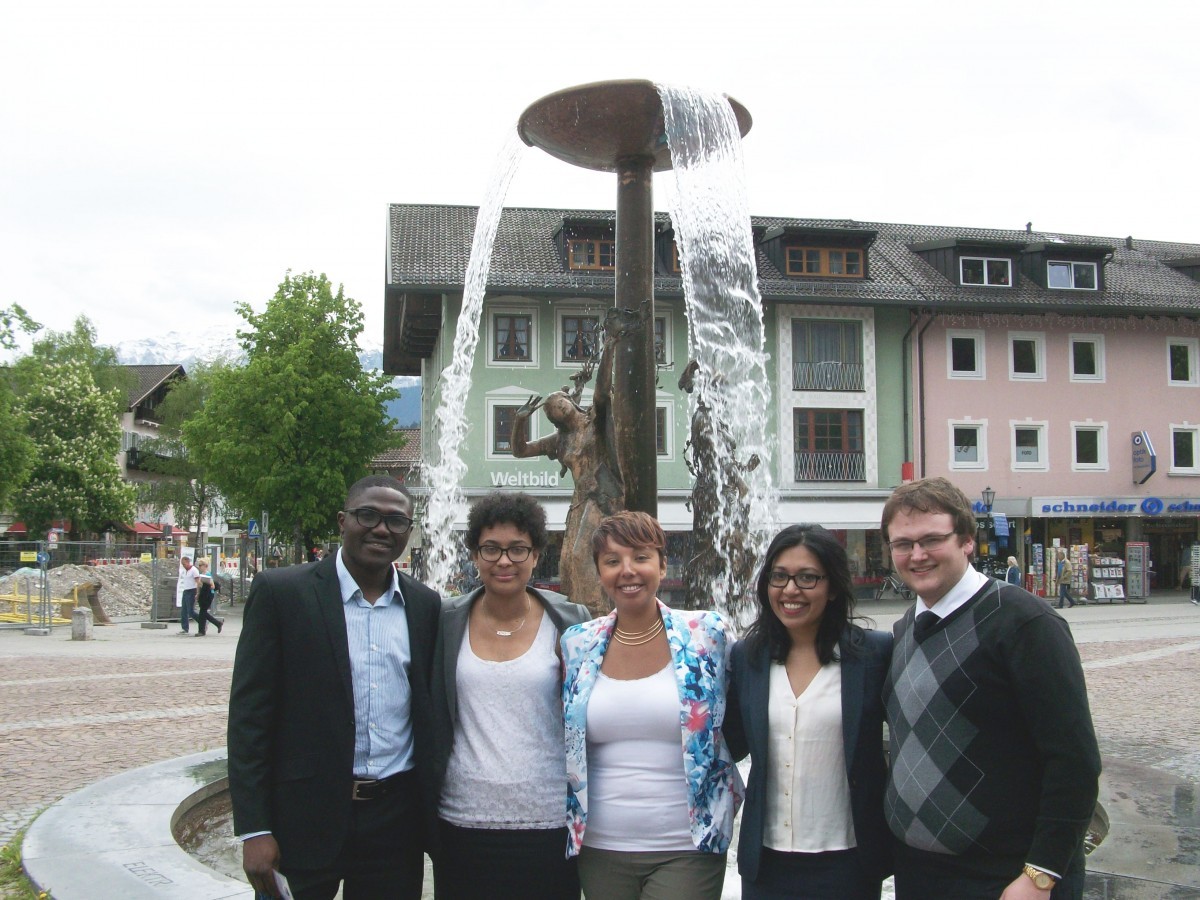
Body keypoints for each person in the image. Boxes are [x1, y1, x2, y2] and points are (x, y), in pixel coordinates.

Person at [881, 477, 1100, 900]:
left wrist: (1041, 873)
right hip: (921, 873)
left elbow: (1074, 760)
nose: (917, 554)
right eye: (903, 544)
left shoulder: (1024, 622)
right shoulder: (906, 627)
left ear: (966, 541)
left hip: (1008, 877)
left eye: (931, 539)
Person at [227, 475, 440, 900]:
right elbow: (250, 719)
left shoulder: (424, 605)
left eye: (396, 521)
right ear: (343, 521)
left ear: (408, 532)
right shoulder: (282, 593)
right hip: (303, 817)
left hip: (394, 824)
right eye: (368, 516)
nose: (382, 529)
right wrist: (255, 829)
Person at [561, 511, 742, 900]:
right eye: (612, 561)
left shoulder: (706, 634)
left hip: (687, 845)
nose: (628, 571)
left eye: (641, 557)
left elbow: (741, 714)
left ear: (662, 564)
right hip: (600, 845)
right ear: (599, 571)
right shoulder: (577, 644)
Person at [431, 491, 590, 900]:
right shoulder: (445, 622)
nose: (504, 561)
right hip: (463, 820)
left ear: (536, 554)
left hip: (547, 821)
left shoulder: (570, 622)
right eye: (491, 549)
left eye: (518, 549)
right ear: (475, 555)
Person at [725, 524, 892, 899]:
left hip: (848, 861)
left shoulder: (874, 655)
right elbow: (728, 743)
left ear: (833, 587)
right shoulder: (748, 658)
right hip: (767, 863)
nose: (790, 590)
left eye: (807, 578)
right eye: (779, 576)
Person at [193, 557, 224, 636]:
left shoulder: (207, 574)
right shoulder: (201, 575)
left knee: (202, 613)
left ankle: (202, 631)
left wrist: (210, 585)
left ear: (205, 566)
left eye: (200, 565)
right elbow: (198, 586)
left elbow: (212, 585)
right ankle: (217, 623)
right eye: (199, 565)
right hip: (202, 595)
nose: (199, 567)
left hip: (207, 595)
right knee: (203, 613)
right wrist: (197, 594)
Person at [176, 553, 201, 634]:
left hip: (192, 590)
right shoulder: (185, 571)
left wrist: (197, 593)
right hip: (186, 590)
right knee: (184, 610)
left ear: (188, 562)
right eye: (182, 564)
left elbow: (198, 582)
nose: (183, 565)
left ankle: (202, 621)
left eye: (184, 564)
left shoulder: (194, 570)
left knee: (191, 611)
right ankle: (185, 628)